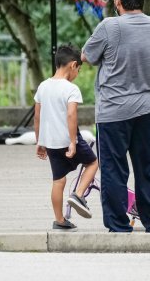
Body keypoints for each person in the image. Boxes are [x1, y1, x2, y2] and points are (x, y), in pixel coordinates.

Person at [81, 0, 150, 233]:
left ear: (117, 1)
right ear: (142, 0)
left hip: (113, 111)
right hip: (148, 107)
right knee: (148, 166)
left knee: (114, 170)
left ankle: (119, 224)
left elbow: (87, 55)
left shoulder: (109, 26)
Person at [34, 44, 98, 231]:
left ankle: (60, 220)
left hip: (51, 142)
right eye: (78, 68)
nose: (77, 72)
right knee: (93, 163)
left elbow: (37, 116)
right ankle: (78, 195)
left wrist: (40, 142)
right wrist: (72, 141)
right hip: (68, 139)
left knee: (58, 180)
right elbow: (71, 116)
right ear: (73, 65)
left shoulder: (43, 86)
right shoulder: (71, 89)